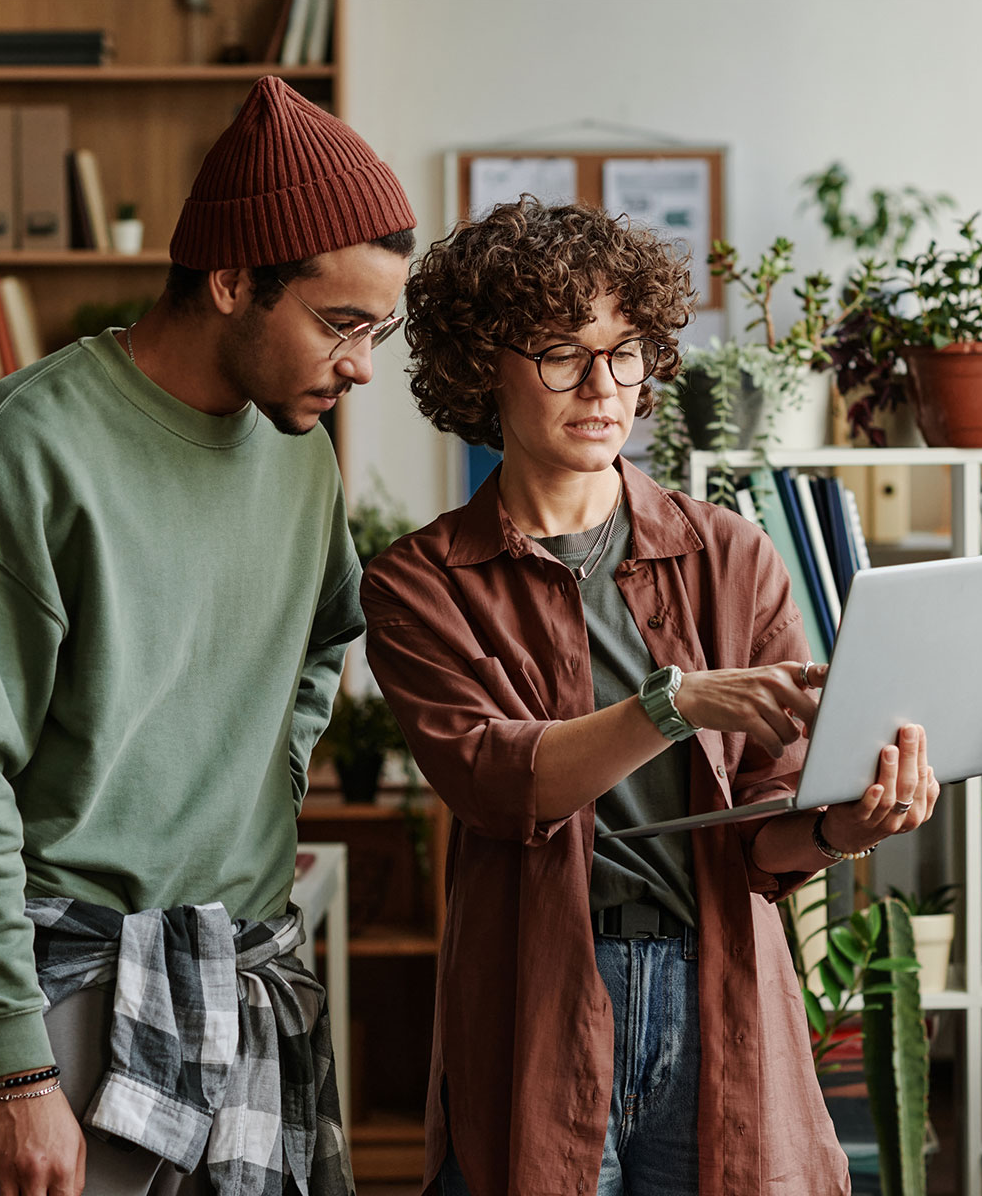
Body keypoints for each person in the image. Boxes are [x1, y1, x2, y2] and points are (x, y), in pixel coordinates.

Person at [0, 77, 415, 1196]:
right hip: (62, 995)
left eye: (380, 330)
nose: (363, 364)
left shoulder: (301, 457)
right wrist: (17, 1070)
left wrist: (267, 772)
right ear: (231, 281)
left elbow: (327, 634)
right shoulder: (26, 449)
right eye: (341, 323)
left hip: (245, 972)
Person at [359, 197, 940, 1196]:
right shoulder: (422, 582)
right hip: (540, 996)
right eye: (561, 354)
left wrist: (845, 826)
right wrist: (677, 705)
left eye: (624, 353)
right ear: (481, 366)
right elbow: (502, 785)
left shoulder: (732, 555)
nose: (603, 387)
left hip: (717, 992)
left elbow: (765, 836)